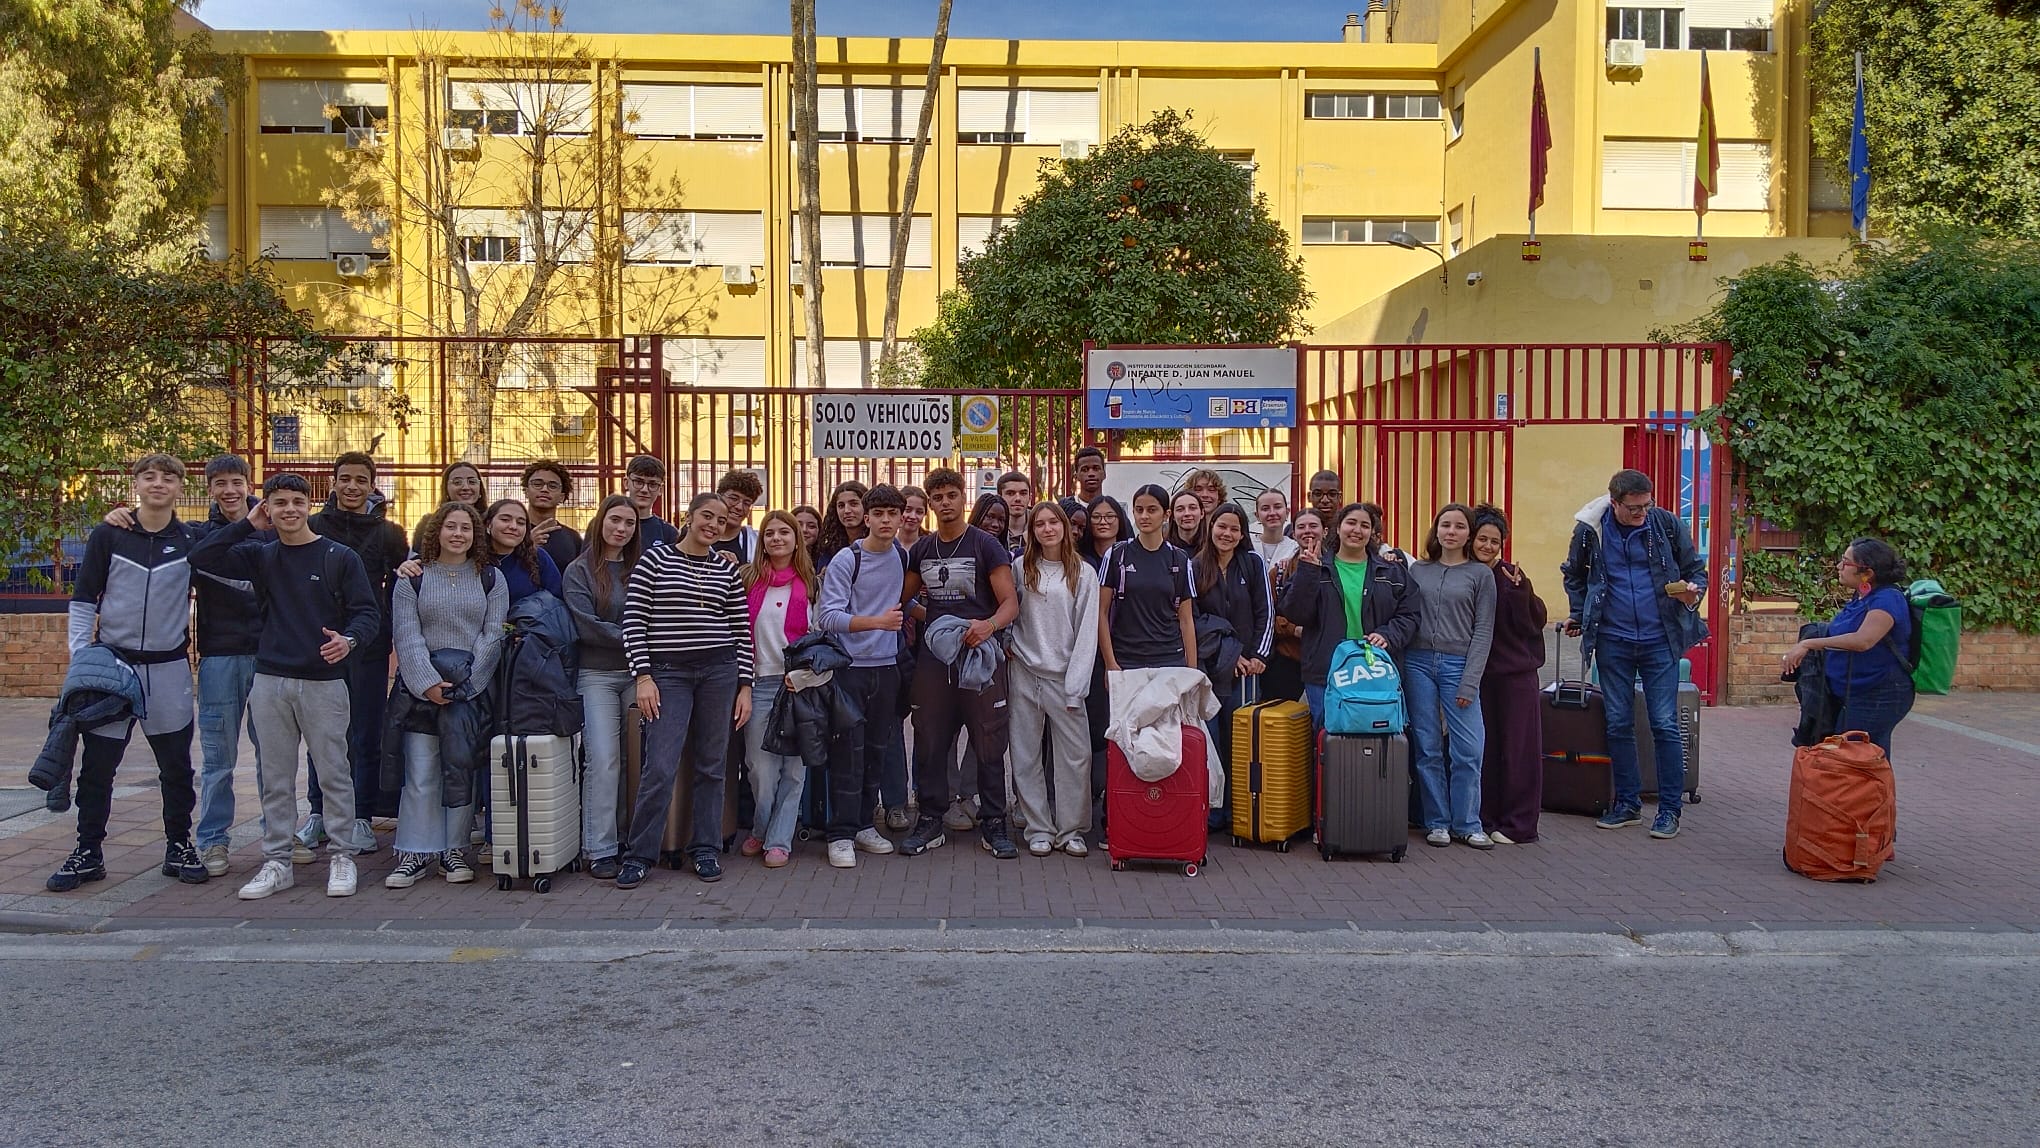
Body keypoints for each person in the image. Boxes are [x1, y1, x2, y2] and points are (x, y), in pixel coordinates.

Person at [190, 473, 381, 900]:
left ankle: (342, 856)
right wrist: (246, 525)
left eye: (297, 501)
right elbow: (201, 556)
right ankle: (277, 860)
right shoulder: (261, 554)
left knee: (334, 773)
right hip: (270, 679)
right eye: (279, 503)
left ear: (310, 504)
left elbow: (367, 613)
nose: (289, 510)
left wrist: (349, 641)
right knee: (276, 777)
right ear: (268, 508)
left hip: (324, 682)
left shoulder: (339, 557)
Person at [46, 454, 206, 893]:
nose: (158, 484)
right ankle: (87, 853)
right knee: (98, 768)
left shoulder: (192, 538)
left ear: (180, 487)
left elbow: (239, 519)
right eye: (149, 476)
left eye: (168, 478)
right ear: (136, 483)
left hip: (168, 668)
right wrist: (82, 658)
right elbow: (83, 599)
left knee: (176, 767)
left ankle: (179, 846)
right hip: (113, 668)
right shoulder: (108, 534)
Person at [1562, 469, 1707, 840]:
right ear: (1615, 503)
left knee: (1663, 722)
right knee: (1617, 721)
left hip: (1661, 638)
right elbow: (1574, 575)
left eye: (1647, 505)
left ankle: (1670, 810)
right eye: (1634, 508)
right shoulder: (1590, 531)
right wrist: (1579, 612)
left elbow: (1696, 571)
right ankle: (1627, 804)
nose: (1643, 513)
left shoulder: (1666, 525)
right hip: (1612, 638)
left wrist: (1693, 591)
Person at [619, 492, 754, 887]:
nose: (713, 525)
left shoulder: (726, 571)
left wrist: (744, 685)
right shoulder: (655, 559)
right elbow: (634, 622)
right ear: (689, 516)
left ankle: (706, 848)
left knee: (712, 766)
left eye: (721, 519)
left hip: (719, 672)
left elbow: (740, 633)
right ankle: (640, 853)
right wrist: (642, 677)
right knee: (660, 766)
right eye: (706, 516)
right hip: (667, 675)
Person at [383, 502, 509, 889]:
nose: (458, 534)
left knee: (461, 770)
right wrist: (427, 683)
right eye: (451, 527)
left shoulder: (490, 579)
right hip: (420, 693)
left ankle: (454, 851)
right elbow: (406, 633)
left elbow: (494, 634)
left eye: (466, 528)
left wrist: (468, 685)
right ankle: (414, 852)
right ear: (436, 531)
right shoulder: (413, 578)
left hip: (469, 692)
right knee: (421, 772)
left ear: (476, 535)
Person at [898, 467, 1021, 859]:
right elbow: (904, 600)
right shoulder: (922, 549)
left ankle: (994, 822)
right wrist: (935, 625)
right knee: (930, 741)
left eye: (952, 494)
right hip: (936, 662)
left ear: (961, 498)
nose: (945, 502)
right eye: (938, 497)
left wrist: (987, 626)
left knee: (989, 740)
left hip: (981, 659)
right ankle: (931, 819)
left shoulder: (986, 545)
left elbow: (1010, 604)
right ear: (930, 503)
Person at [301, 451, 408, 859]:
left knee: (364, 731)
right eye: (344, 478)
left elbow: (401, 586)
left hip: (369, 645)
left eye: (360, 480)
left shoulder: (389, 534)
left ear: (371, 485)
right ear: (333, 481)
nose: (351, 486)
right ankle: (319, 813)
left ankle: (361, 814)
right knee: (321, 733)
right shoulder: (312, 527)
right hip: (319, 646)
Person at [818, 485, 912, 868]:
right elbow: (828, 617)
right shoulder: (846, 559)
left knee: (876, 749)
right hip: (850, 670)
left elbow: (909, 603)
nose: (887, 521)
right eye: (880, 514)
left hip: (886, 669)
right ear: (867, 518)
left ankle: (861, 824)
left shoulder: (902, 557)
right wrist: (878, 623)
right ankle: (839, 833)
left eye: (894, 513)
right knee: (847, 752)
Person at [1008, 500, 1104, 857]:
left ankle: (1072, 830)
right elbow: (1010, 612)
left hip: (1065, 677)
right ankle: (1039, 828)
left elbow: (1087, 632)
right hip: (1025, 671)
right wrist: (1011, 648)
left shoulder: (1083, 572)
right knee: (1026, 754)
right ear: (1032, 531)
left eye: (1053, 522)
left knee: (1075, 757)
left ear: (1065, 527)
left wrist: (1076, 686)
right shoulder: (1021, 568)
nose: (1047, 528)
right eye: (1039, 524)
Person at [1279, 502, 1423, 733]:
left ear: (1372, 533)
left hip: (1376, 672)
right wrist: (1308, 572)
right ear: (1337, 528)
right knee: (1328, 741)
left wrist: (1388, 635)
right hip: (1325, 671)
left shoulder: (1392, 572)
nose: (1357, 530)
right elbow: (1296, 613)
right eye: (1351, 523)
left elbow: (1410, 614)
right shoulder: (1317, 567)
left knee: (1377, 739)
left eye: (1365, 525)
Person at [1405, 503, 1498, 850]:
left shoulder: (1480, 575)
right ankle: (1437, 821)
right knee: (1427, 747)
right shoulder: (1419, 570)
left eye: (1459, 527)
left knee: (1468, 749)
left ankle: (1468, 822)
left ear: (1468, 534)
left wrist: (1470, 680)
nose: (1451, 532)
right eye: (1445, 525)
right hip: (1417, 663)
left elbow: (1484, 630)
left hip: (1459, 665)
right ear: (1436, 530)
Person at [189, 456, 265, 877]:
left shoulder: (272, 534)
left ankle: (278, 834)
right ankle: (214, 841)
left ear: (248, 483)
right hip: (219, 659)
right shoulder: (201, 536)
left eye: (237, 482)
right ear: (211, 490)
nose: (230, 491)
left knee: (271, 755)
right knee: (218, 760)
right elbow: (198, 557)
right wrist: (245, 525)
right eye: (221, 484)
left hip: (270, 658)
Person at [564, 494, 643, 880]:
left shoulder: (641, 568)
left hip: (638, 675)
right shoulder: (579, 571)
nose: (621, 529)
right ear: (601, 521)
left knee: (633, 760)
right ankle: (599, 847)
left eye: (629, 523)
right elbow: (585, 625)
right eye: (615, 520)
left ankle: (628, 838)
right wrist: (635, 637)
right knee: (603, 758)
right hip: (595, 675)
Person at [1781, 538, 1916, 762]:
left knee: (1856, 761)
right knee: (1860, 762)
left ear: (1867, 572)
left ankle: (1868, 797)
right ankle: (1868, 797)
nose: (1839, 567)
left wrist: (1808, 644)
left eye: (1846, 562)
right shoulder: (1862, 596)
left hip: (1879, 695)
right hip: (1854, 692)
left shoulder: (1888, 599)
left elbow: (1863, 641)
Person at [745, 509, 823, 868]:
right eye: (770, 533)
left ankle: (779, 839)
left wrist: (805, 677)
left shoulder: (811, 583)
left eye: (784, 532)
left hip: (798, 684)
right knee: (760, 768)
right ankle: (761, 827)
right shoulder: (747, 580)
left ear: (797, 539)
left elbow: (822, 640)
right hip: (760, 682)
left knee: (794, 770)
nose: (777, 538)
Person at [1471, 504, 1547, 845]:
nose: (1488, 546)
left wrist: (1520, 593)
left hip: (1516, 675)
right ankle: (1485, 817)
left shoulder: (1511, 577)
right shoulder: (1464, 573)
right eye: (1482, 539)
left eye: (1495, 541)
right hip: (1478, 677)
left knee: (1519, 750)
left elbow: (1533, 622)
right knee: (1484, 749)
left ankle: (1519, 824)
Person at [1193, 502, 1273, 822]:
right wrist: (1229, 653)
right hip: (1210, 670)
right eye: (1221, 527)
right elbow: (1195, 621)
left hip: (1246, 673)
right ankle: (1214, 814)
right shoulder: (1195, 566)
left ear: (1242, 534)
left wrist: (1257, 656)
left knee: (1242, 743)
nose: (1227, 534)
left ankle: (1242, 813)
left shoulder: (1252, 563)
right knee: (1211, 741)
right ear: (1210, 528)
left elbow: (1265, 612)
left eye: (1234, 529)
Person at [1100, 484, 1199, 675]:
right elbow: (1101, 614)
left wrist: (1192, 671)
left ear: (1166, 515)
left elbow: (1186, 620)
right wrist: (1110, 663)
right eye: (1139, 510)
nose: (1144, 516)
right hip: (1126, 659)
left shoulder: (1179, 559)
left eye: (1152, 510)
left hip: (1170, 658)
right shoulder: (1116, 554)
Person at [481, 498, 563, 603]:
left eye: (520, 523)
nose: (513, 527)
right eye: (505, 520)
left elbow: (556, 599)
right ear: (488, 524)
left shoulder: (537, 557)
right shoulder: (473, 559)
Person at [523, 459, 583, 572]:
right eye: (537, 484)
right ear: (526, 491)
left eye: (553, 486)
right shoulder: (513, 532)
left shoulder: (573, 539)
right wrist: (526, 546)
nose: (544, 489)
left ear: (561, 497)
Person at [625, 455, 680, 550]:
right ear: (626, 483)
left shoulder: (668, 533)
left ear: (660, 489)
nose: (644, 489)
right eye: (638, 482)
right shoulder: (605, 525)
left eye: (652, 484)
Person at [813, 480, 867, 568]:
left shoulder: (879, 544)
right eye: (841, 506)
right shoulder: (829, 550)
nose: (847, 511)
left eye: (853, 504)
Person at [713, 470, 763, 564]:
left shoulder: (758, 542)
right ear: (719, 497)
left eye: (747, 503)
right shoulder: (697, 537)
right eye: (734, 499)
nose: (739, 507)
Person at [1079, 494, 1131, 571]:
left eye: (1109, 517)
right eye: (1096, 517)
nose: (1103, 522)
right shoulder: (1080, 559)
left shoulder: (1131, 556)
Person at [1252, 487, 1299, 568]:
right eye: (1265, 508)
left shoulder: (1295, 549)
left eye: (1277, 507)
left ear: (1287, 512)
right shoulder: (1248, 545)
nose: (1272, 513)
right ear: (1257, 516)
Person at [997, 470, 1033, 553]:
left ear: (1029, 497)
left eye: (1023, 493)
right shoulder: (990, 527)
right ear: (999, 496)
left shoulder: (1041, 525)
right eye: (1010, 493)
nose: (1018, 499)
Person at [1167, 489, 1205, 553]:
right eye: (1180, 509)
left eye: (1192, 508)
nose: (1187, 513)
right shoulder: (1165, 550)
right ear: (1172, 515)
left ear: (1202, 513)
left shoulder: (1213, 549)